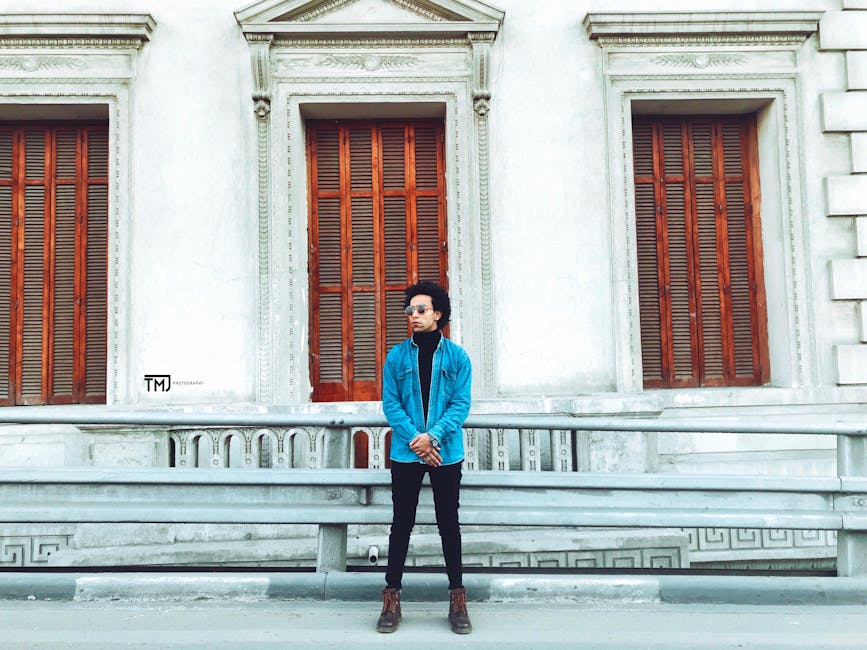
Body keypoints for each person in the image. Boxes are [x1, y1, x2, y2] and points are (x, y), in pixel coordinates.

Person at [376, 280, 473, 635]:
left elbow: (460, 404)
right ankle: (391, 597)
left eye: (421, 310)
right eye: (410, 310)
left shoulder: (458, 357)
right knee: (401, 523)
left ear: (438, 314)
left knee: (449, 523)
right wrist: (416, 441)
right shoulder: (397, 356)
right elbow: (391, 404)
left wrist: (431, 438)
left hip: (445, 453)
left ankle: (457, 598)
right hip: (406, 453)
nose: (413, 316)